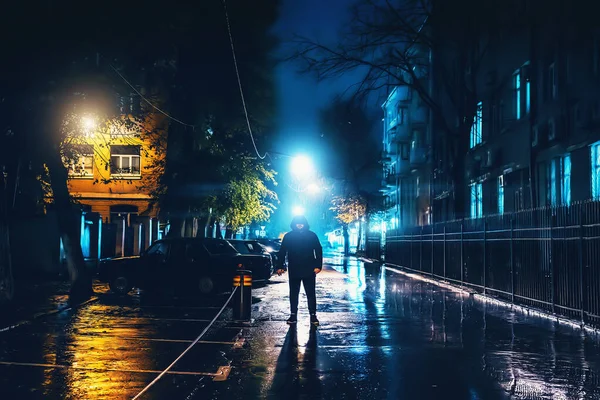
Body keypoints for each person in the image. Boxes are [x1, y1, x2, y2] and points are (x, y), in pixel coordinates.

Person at [276, 215, 323, 326]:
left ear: (305, 224)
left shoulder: (312, 235)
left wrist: (318, 266)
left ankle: (313, 315)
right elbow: (282, 251)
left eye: (301, 223)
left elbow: (318, 250)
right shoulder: (288, 236)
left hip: (309, 268)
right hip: (294, 268)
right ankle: (293, 315)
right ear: (294, 224)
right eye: (298, 223)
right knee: (293, 293)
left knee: (310, 294)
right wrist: (280, 266)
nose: (299, 225)